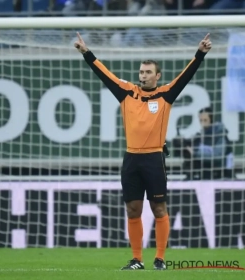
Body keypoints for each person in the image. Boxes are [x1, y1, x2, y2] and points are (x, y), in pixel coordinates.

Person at [74, 32, 212, 270]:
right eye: (141, 71)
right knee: (132, 208)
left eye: (148, 72)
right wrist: (87, 53)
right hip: (131, 158)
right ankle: (137, 259)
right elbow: (104, 74)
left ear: (157, 76)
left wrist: (199, 54)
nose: (143, 75)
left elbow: (185, 76)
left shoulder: (166, 94)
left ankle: (160, 259)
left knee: (159, 208)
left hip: (154, 158)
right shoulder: (127, 92)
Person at [173, 107, 234, 180]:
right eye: (201, 120)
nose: (202, 123)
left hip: (222, 174)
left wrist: (195, 153)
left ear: (211, 120)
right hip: (206, 173)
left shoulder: (219, 135)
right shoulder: (200, 136)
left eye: (205, 120)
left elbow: (218, 157)